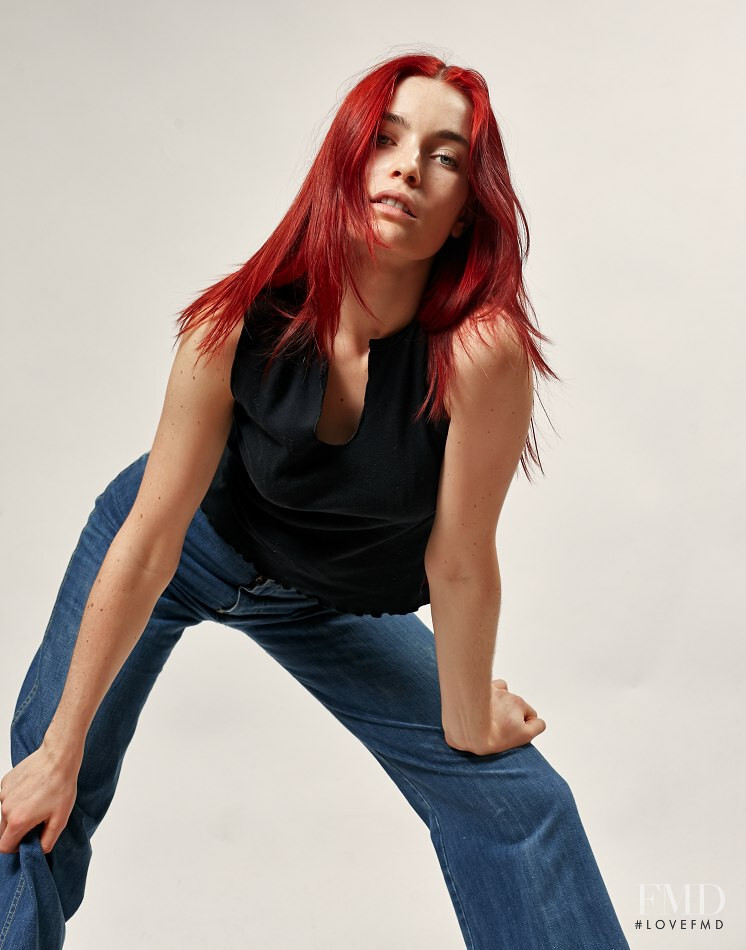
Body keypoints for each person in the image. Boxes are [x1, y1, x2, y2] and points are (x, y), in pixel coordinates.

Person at [0, 52, 630, 949]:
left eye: (445, 157)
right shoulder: (231, 324)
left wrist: (467, 718)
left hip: (327, 596)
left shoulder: (481, 354)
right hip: (180, 544)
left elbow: (458, 560)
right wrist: (61, 753)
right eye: (385, 141)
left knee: (523, 803)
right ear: (346, 161)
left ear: (465, 210)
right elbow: (149, 539)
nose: (408, 168)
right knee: (35, 806)